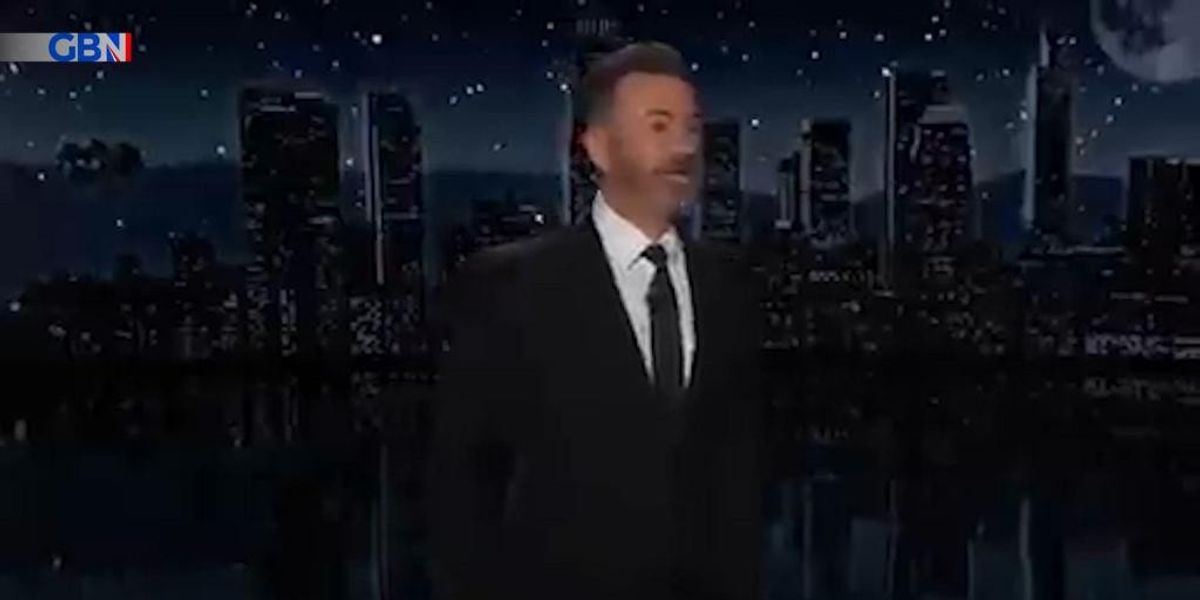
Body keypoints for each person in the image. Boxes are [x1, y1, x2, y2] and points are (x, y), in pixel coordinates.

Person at [427, 41, 766, 600]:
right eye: (659, 126)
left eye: (692, 128)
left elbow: (738, 477)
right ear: (599, 148)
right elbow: (461, 489)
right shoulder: (510, 285)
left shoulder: (730, 285)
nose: (685, 146)